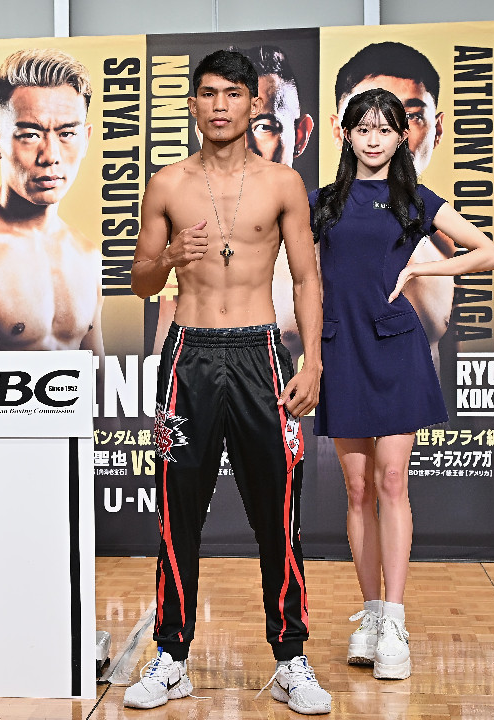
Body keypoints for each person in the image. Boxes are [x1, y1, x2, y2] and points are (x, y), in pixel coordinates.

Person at [126, 50, 330, 715]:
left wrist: (313, 362)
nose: (220, 105)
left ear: (253, 103)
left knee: (279, 515)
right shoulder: (166, 184)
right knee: (176, 514)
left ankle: (291, 659)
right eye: (208, 93)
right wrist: (168, 258)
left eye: (233, 93)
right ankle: (171, 658)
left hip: (260, 356)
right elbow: (141, 282)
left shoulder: (282, 183)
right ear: (192, 103)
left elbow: (306, 278)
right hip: (187, 355)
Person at [311, 88, 494, 680]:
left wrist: (425, 265)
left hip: (395, 347)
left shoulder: (415, 200)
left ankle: (395, 620)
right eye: (362, 128)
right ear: (345, 134)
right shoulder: (321, 203)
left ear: (401, 138)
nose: (373, 139)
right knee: (357, 489)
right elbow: (297, 272)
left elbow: (490, 254)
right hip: (341, 348)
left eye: (385, 129)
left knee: (392, 480)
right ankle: (371, 615)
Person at [153, 44, 314, 360]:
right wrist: (168, 257)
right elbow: (161, 345)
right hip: (194, 358)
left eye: (264, 127)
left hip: (265, 366)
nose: (244, 143)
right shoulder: (175, 195)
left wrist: (313, 366)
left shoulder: (324, 238)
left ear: (301, 135)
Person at [331, 42, 453, 371]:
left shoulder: (446, 239)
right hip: (345, 396)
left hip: (415, 401)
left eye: (411, 116)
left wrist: (417, 270)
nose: (390, 135)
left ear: (437, 129)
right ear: (341, 132)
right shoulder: (314, 219)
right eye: (366, 120)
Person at [0, 48, 103, 355]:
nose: (50, 156)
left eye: (67, 133)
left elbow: (97, 373)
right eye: (30, 135)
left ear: (85, 139)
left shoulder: (87, 256)